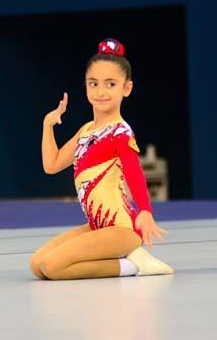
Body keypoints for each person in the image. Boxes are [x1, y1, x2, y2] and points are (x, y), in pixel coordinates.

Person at [30, 39, 172, 280]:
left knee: (52, 267)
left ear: (126, 88)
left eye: (110, 84)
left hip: (122, 228)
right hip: (98, 226)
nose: (100, 92)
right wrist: (47, 125)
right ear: (85, 85)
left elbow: (134, 172)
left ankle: (134, 265)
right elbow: (51, 165)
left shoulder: (120, 132)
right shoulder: (86, 130)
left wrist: (145, 211)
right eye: (93, 83)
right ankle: (128, 260)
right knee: (37, 265)